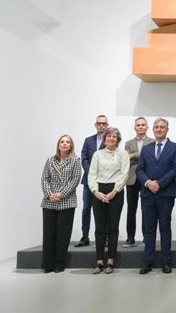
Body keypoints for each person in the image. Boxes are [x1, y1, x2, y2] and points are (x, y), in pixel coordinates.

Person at [137, 118, 176, 275]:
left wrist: (160, 184)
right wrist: (149, 183)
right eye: (156, 127)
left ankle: (165, 262)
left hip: (165, 194)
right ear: (153, 129)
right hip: (148, 194)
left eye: (162, 127)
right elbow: (139, 170)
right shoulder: (146, 148)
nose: (159, 129)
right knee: (148, 230)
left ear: (167, 129)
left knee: (165, 228)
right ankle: (147, 263)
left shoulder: (175, 148)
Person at [88, 126, 130, 274]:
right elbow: (91, 174)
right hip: (99, 191)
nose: (111, 138)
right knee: (99, 228)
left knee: (113, 228)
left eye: (114, 137)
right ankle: (99, 261)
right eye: (109, 136)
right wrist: (95, 191)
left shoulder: (123, 154)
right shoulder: (97, 154)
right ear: (105, 138)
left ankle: (111, 260)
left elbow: (124, 174)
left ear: (117, 139)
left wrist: (114, 191)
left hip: (115, 191)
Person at [40, 135, 82, 273]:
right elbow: (44, 178)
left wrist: (61, 194)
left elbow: (75, 180)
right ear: (58, 145)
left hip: (66, 201)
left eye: (67, 142)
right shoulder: (50, 160)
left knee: (62, 235)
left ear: (71, 145)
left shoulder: (76, 161)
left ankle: (59, 264)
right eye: (62, 142)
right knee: (49, 234)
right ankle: (48, 264)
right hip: (49, 201)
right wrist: (49, 194)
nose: (65, 144)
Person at [76, 115, 108, 247]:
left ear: (107, 125)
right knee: (86, 209)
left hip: (104, 181)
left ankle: (104, 237)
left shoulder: (110, 140)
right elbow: (83, 158)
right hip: (88, 180)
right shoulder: (88, 140)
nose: (101, 126)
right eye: (99, 123)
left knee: (103, 210)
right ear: (95, 125)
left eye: (104, 123)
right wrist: (91, 173)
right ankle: (85, 237)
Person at [123, 117, 153, 247]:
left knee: (146, 209)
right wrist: (137, 155)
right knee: (131, 209)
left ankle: (147, 237)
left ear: (147, 127)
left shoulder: (152, 142)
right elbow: (125, 159)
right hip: (132, 179)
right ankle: (130, 237)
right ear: (135, 127)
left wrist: (134, 155)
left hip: (146, 178)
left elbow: (151, 159)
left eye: (143, 125)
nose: (140, 127)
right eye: (138, 125)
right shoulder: (128, 143)